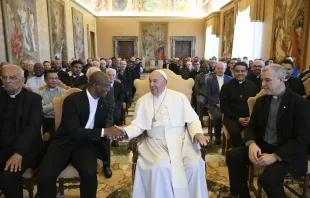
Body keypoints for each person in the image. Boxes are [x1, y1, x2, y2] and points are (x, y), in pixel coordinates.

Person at [119, 70, 209, 198]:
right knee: (160, 167)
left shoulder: (179, 97)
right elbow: (138, 125)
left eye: (155, 81)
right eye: (150, 81)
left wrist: (197, 133)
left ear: (165, 82)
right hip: (155, 142)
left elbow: (193, 119)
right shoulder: (143, 101)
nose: (151, 84)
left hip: (181, 141)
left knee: (194, 165)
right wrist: (124, 131)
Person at [36, 72, 125, 198]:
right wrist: (104, 131)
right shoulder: (72, 100)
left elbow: (101, 128)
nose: (109, 89)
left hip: (86, 145)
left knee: (89, 173)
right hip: (64, 143)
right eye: (106, 86)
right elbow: (73, 131)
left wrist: (114, 134)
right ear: (95, 86)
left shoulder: (103, 104)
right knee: (44, 175)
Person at [226, 64, 310, 197]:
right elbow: (251, 127)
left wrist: (275, 156)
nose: (263, 84)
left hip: (287, 153)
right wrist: (251, 143)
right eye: (262, 80)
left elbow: (302, 139)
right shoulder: (261, 101)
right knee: (233, 155)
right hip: (264, 145)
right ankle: (241, 195)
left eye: (268, 80)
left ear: (282, 79)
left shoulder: (300, 104)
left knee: (268, 180)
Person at [0, 65, 44, 197]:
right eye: (4, 77)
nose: (7, 81)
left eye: (13, 77)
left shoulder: (34, 99)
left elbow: (33, 128)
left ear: (23, 80)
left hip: (26, 148)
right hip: (3, 145)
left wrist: (19, 153)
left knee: (8, 176)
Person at [220, 62, 257, 147]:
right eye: (237, 71)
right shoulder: (226, 86)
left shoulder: (252, 86)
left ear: (246, 72)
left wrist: (250, 118)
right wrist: (238, 118)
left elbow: (256, 105)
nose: (240, 73)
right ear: (233, 71)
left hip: (248, 118)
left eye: (242, 71)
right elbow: (224, 107)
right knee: (235, 131)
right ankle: (237, 151)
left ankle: (249, 151)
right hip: (231, 117)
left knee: (253, 131)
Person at [206, 62, 232, 145]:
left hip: (227, 104)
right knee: (218, 116)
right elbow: (208, 95)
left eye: (222, 68)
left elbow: (232, 94)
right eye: (218, 68)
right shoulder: (210, 80)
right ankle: (217, 136)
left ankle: (230, 136)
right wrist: (217, 103)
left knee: (232, 116)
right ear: (215, 69)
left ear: (225, 69)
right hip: (214, 105)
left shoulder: (230, 79)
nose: (220, 70)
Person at [40, 70, 66, 137]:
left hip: (59, 119)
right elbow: (41, 110)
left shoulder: (64, 92)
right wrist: (55, 105)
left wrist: (47, 107)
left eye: (56, 78)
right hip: (44, 119)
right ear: (45, 80)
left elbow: (64, 110)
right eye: (51, 78)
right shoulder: (39, 93)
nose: (54, 80)